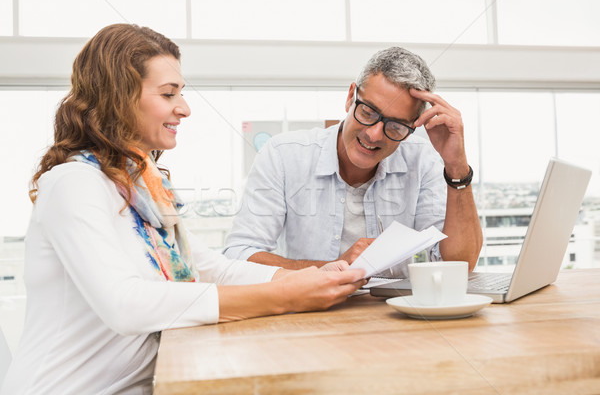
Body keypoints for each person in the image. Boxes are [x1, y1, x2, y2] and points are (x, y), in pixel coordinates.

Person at [0, 24, 366, 395]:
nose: (185, 108)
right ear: (119, 97)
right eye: (168, 93)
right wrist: (282, 297)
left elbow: (208, 269)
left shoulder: (143, 187)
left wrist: (310, 278)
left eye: (181, 93)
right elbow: (125, 304)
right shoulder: (73, 183)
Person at [223, 47, 483, 275]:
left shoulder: (423, 159)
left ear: (413, 127)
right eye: (368, 112)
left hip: (398, 319)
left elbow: (459, 264)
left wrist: (456, 165)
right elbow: (239, 255)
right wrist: (331, 268)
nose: (373, 134)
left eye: (395, 126)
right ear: (351, 96)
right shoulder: (284, 154)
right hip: (309, 316)